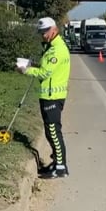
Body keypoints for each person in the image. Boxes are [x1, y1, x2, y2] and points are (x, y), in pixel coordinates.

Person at [17, 17, 71, 179]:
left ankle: (61, 167)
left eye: (45, 32)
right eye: (41, 32)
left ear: (53, 30)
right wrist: (32, 63)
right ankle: (57, 162)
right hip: (49, 95)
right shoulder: (51, 47)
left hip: (53, 96)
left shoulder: (56, 50)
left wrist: (25, 70)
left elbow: (45, 73)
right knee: (50, 131)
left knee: (54, 131)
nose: (43, 35)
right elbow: (45, 67)